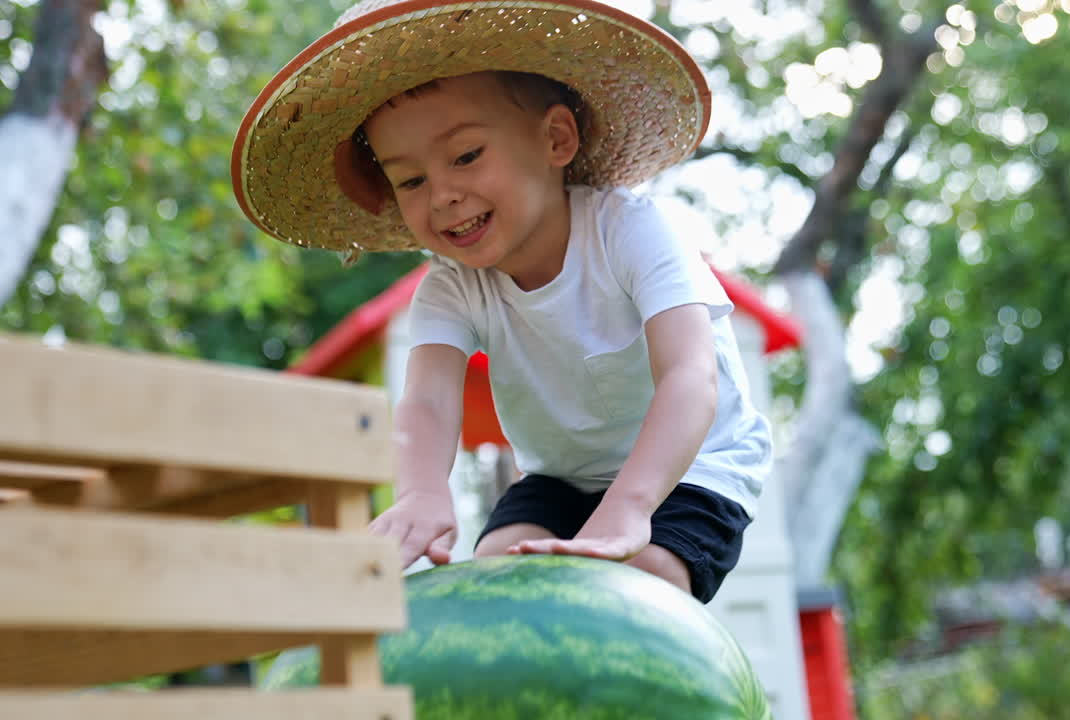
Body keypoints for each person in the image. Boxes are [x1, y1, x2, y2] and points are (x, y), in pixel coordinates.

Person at [231, 0, 772, 603]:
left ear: (556, 139)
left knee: (637, 590)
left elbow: (690, 377)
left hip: (693, 465)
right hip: (561, 479)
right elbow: (429, 400)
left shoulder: (631, 232)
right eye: (410, 180)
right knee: (496, 581)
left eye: (465, 156)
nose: (442, 196)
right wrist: (420, 492)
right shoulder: (451, 287)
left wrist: (628, 508)